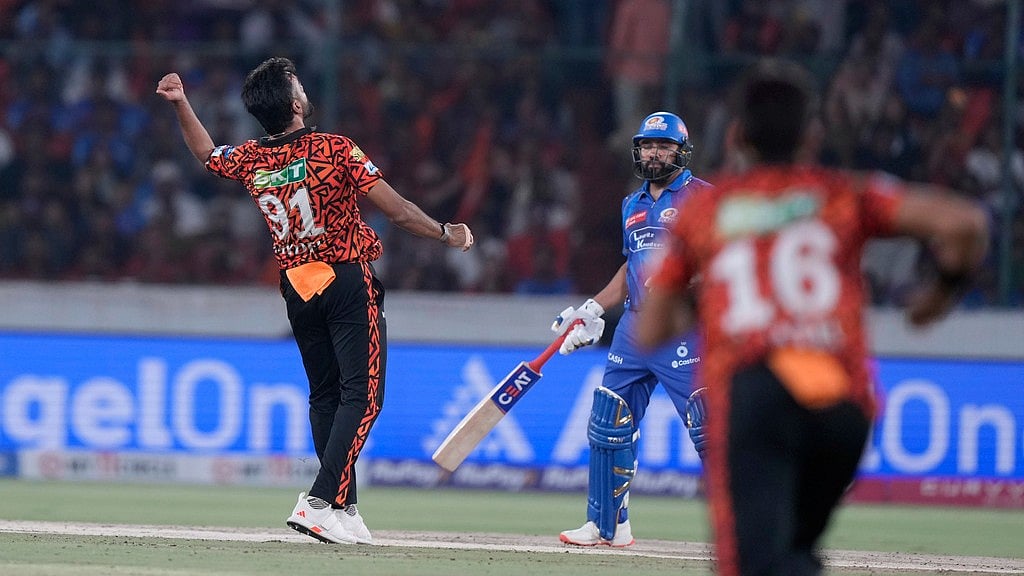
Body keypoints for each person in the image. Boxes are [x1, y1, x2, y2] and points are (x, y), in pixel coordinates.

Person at [637, 59, 989, 576]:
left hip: (755, 395)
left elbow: (650, 330)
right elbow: (965, 223)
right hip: (840, 403)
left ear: (737, 136)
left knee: (751, 563)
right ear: (812, 135)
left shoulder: (706, 211)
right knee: (793, 553)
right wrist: (937, 297)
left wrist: (704, 302)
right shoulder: (845, 194)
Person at [156, 57, 474, 545]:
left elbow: (206, 153)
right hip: (345, 279)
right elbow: (399, 212)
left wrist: (181, 104)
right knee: (364, 396)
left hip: (297, 287)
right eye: (298, 85)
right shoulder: (334, 148)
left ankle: (344, 508)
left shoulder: (252, 158)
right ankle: (320, 501)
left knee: (326, 397)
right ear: (295, 104)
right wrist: (447, 234)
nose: (304, 89)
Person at [552, 111, 712, 547]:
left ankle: (746, 527)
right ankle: (607, 525)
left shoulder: (703, 198)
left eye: (664, 146)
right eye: (647, 146)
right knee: (609, 421)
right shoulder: (632, 204)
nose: (654, 154)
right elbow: (632, 265)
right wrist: (592, 307)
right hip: (634, 326)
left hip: (682, 326)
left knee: (709, 426)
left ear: (681, 152)